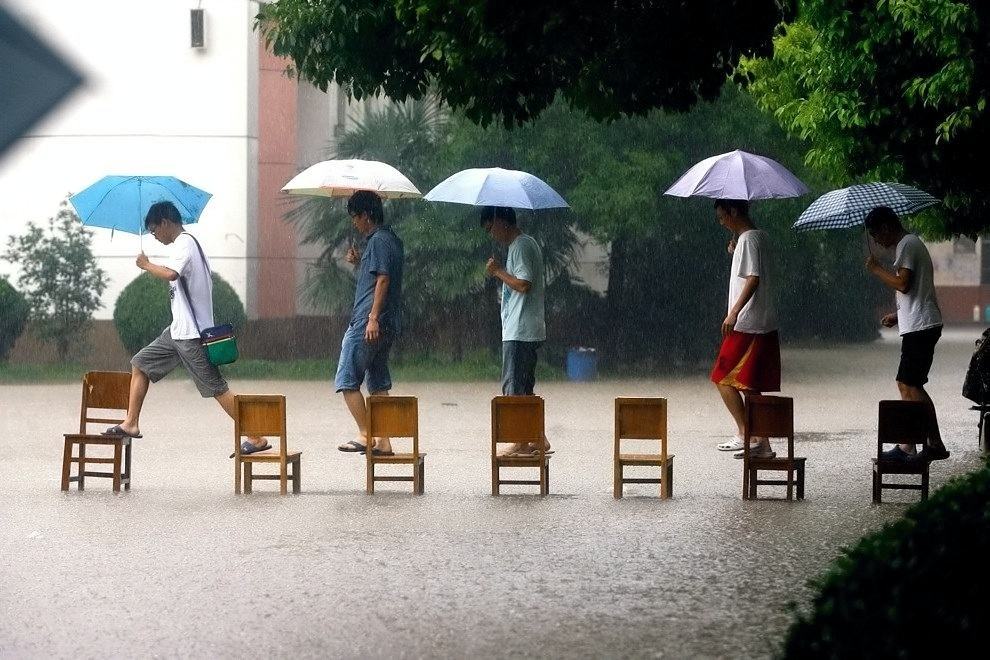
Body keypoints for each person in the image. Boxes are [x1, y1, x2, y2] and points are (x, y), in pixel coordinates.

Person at [102, 201, 266, 453]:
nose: (154, 236)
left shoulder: (185, 242)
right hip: (176, 331)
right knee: (140, 363)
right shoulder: (183, 244)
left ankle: (256, 437)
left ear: (166, 223)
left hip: (192, 335)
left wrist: (146, 265)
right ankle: (131, 423)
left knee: (217, 388)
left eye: (154, 230)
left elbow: (171, 274)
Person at [865, 206, 950, 461]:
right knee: (905, 383)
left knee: (912, 384)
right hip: (916, 324)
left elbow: (904, 283)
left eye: (876, 234)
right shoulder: (909, 244)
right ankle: (908, 443)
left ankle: (934, 443)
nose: (877, 241)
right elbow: (914, 292)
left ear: (886, 227)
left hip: (922, 326)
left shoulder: (907, 244)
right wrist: (898, 315)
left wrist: (877, 269)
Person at [709, 199, 781, 459]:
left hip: (748, 322)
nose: (721, 221)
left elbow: (753, 279)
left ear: (734, 211)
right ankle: (763, 443)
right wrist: (736, 247)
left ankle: (744, 432)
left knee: (721, 377)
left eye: (722, 216)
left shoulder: (749, 239)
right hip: (762, 321)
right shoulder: (758, 237)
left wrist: (734, 312)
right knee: (749, 384)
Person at [336, 191, 404, 457]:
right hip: (387, 323)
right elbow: (378, 276)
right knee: (377, 383)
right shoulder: (392, 240)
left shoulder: (378, 242)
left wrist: (372, 318)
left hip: (368, 323)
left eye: (355, 217)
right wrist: (359, 262)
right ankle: (384, 441)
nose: (355, 223)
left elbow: (383, 280)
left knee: (347, 380)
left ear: (366, 215)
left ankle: (366, 433)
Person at [481, 206, 551, 456]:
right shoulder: (524, 244)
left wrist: (498, 271)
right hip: (526, 328)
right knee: (525, 387)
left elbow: (523, 284)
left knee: (513, 389)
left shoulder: (520, 246)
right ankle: (538, 437)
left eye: (491, 228)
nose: (491, 235)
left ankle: (520, 440)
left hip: (520, 330)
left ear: (501, 221)